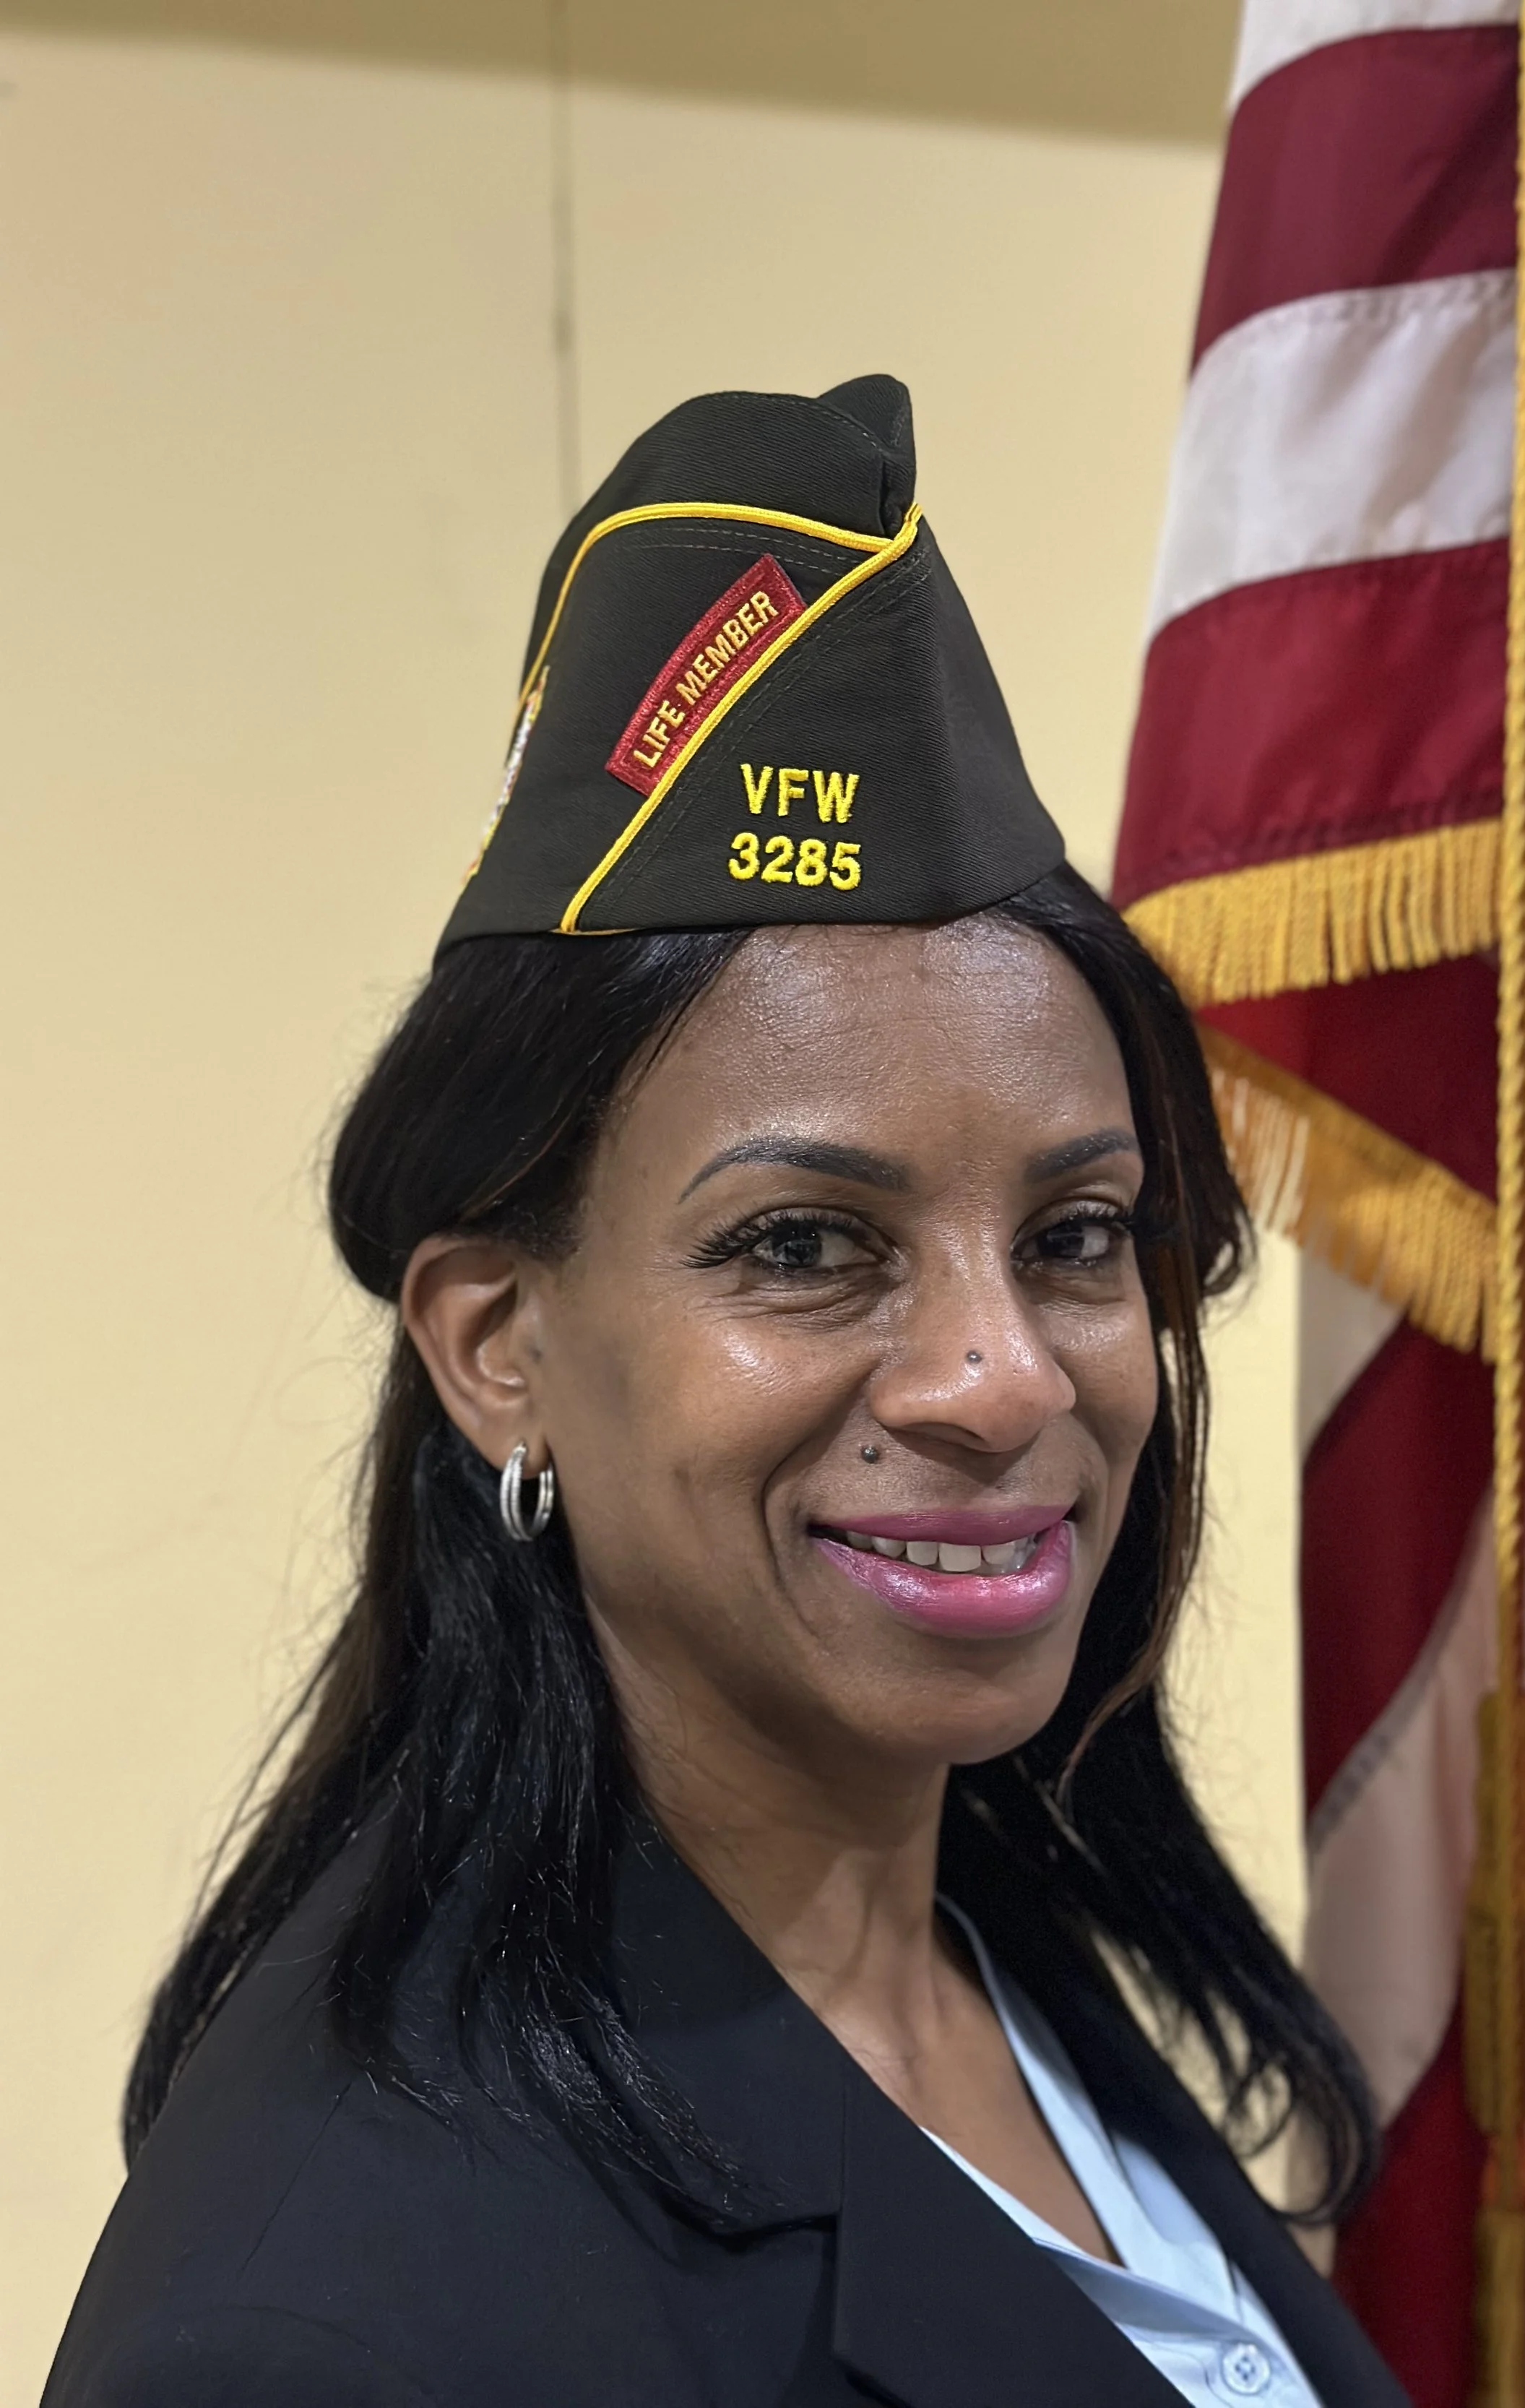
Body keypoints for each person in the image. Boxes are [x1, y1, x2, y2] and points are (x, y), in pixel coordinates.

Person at [44, 376, 1406, 2408]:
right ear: (495, 1346)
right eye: (801, 1244)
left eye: (1076, 1232)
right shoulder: (329, 2319)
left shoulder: (983, 1934)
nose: (994, 1371)